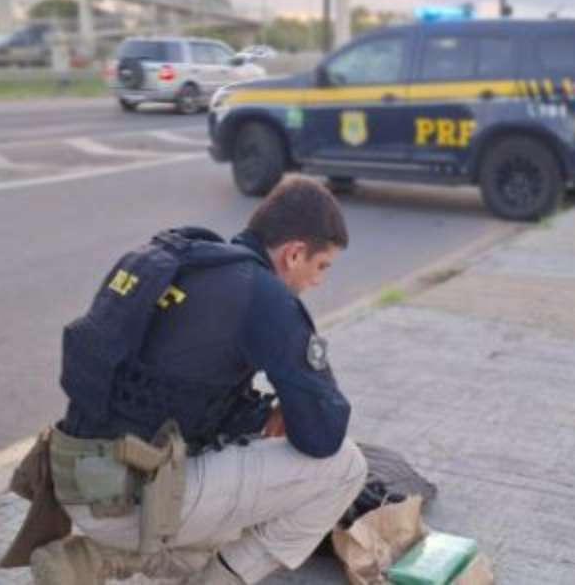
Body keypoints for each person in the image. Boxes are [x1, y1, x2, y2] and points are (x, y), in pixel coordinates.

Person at [31, 177, 367, 585]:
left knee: (227, 525)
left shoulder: (181, 259)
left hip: (75, 478)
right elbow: (323, 435)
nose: (318, 281)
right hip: (130, 500)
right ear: (294, 254)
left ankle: (94, 560)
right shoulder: (263, 297)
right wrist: (289, 407)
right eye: (321, 266)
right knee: (346, 466)